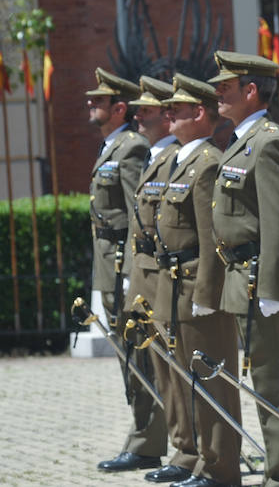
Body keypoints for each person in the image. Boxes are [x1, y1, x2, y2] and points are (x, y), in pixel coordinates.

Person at [208, 51, 279, 487]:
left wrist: (272, 286)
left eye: (225, 88)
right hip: (242, 276)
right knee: (262, 377)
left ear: (251, 91)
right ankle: (277, 469)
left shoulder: (270, 142)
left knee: (273, 380)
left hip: (260, 279)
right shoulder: (242, 140)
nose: (217, 96)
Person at [153, 73, 241, 487]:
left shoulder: (206, 163)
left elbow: (211, 237)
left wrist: (208, 292)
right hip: (173, 285)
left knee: (210, 382)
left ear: (199, 113)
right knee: (184, 378)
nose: (167, 114)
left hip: (194, 286)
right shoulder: (178, 159)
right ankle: (199, 458)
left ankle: (220, 467)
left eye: (177, 109)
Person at [87, 68, 169, 473]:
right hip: (109, 263)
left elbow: (142, 215)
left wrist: (132, 269)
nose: (91, 106)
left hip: (124, 264)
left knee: (139, 357)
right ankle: (142, 437)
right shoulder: (112, 147)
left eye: (99, 101)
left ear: (119, 107)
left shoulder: (131, 148)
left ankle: (147, 440)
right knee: (129, 358)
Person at [122, 75, 193, 484]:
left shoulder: (173, 159)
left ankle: (188, 450)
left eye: (150, 111)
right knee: (159, 368)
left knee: (176, 368)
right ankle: (180, 447)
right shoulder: (157, 157)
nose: (142, 118)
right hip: (146, 274)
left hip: (164, 274)